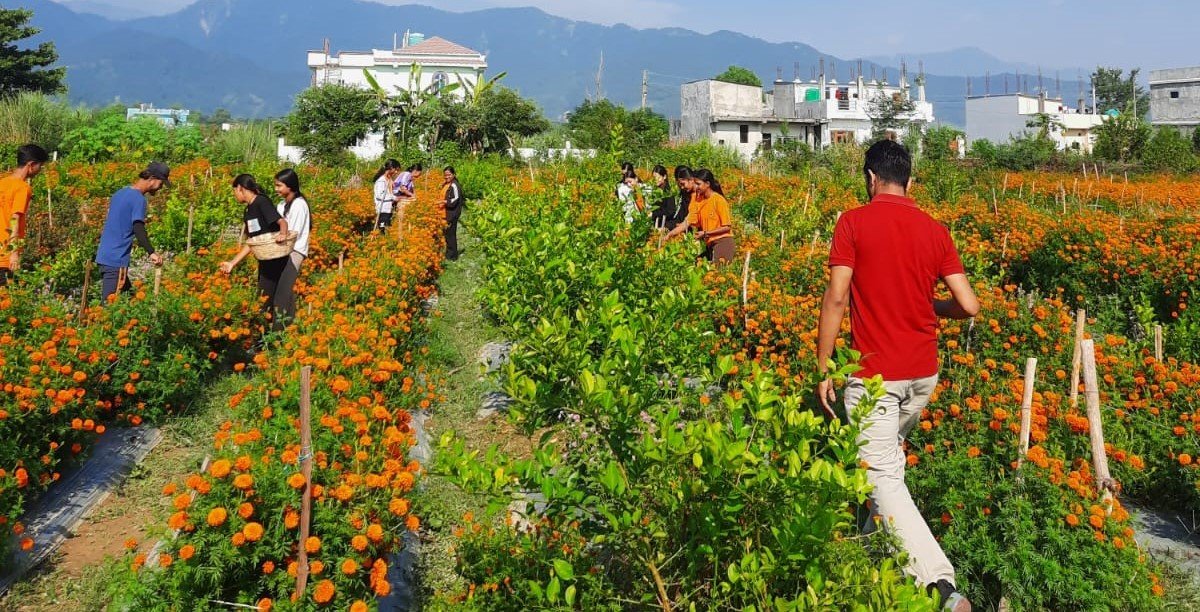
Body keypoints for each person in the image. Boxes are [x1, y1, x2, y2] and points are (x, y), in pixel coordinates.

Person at [815, 140, 979, 612]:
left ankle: (942, 588)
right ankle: (875, 550)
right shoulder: (934, 229)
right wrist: (932, 307)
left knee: (879, 474)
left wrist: (824, 365)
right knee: (888, 461)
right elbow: (968, 306)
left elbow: (837, 296)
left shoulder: (853, 222)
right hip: (922, 376)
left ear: (869, 178)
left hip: (876, 377)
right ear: (911, 180)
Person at [218, 174, 291, 327]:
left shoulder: (261, 202)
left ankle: (265, 338)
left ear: (240, 188)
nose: (235, 195)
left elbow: (282, 222)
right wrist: (232, 263)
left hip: (276, 259)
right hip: (265, 260)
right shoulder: (248, 210)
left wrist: (283, 234)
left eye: (234, 191)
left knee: (265, 300)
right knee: (265, 299)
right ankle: (268, 336)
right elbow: (252, 243)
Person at [94, 161, 167, 301]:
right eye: (161, 183)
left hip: (105, 255)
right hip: (116, 259)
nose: (161, 188)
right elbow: (138, 227)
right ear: (152, 179)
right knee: (109, 307)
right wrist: (151, 252)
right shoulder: (139, 199)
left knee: (130, 301)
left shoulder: (120, 193)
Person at [0, 144, 48, 284]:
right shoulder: (22, 188)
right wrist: (14, 253)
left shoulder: (2, 183)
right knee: (6, 300)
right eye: (41, 166)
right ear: (31, 165)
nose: (40, 170)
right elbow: (15, 218)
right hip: (5, 255)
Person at [667, 168, 733, 264]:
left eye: (698, 184)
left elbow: (727, 227)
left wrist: (705, 233)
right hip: (710, 244)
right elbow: (687, 222)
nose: (696, 187)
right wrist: (670, 234)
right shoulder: (698, 200)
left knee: (715, 273)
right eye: (695, 183)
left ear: (707, 184)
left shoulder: (719, 200)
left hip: (723, 242)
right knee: (695, 264)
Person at [272, 168, 311, 328]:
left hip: (294, 252)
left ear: (290, 186)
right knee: (286, 293)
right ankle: (292, 326)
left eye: (279, 186)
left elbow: (293, 233)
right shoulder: (281, 205)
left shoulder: (299, 205)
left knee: (281, 294)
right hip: (280, 251)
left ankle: (277, 332)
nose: (276, 189)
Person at [649, 165, 690, 230]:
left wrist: (654, 214)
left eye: (658, 178)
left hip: (666, 224)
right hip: (660, 224)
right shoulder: (655, 192)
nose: (655, 180)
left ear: (664, 177)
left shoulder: (668, 193)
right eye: (654, 178)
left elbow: (671, 211)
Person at [440, 166, 464, 261]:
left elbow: (454, 200)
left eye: (449, 174)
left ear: (454, 174)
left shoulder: (454, 185)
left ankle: (453, 256)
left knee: (450, 235)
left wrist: (444, 202)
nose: (447, 176)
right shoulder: (447, 184)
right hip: (446, 213)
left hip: (452, 213)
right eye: (445, 175)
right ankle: (449, 253)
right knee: (447, 234)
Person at [373, 159, 401, 231]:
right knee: (383, 230)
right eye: (396, 170)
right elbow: (380, 195)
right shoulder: (381, 180)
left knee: (388, 229)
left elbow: (389, 192)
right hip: (382, 209)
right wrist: (394, 198)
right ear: (391, 168)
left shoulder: (389, 179)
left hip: (389, 209)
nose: (396, 172)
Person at [393, 163, 422, 229]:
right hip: (396, 195)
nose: (419, 176)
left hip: (401, 196)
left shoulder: (411, 178)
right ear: (415, 171)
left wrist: (416, 196)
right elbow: (403, 189)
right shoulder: (406, 174)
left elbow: (413, 190)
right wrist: (413, 196)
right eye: (419, 174)